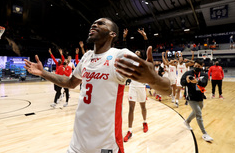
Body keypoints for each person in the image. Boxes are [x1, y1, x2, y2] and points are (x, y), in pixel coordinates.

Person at [24, 17, 171, 153]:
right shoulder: (87, 57)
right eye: (94, 23)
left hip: (105, 145)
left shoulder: (120, 55)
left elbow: (168, 89)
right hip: (77, 144)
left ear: (112, 34)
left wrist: (154, 79)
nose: (94, 24)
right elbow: (69, 83)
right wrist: (43, 73)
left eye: (101, 23)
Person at [181, 59, 214, 142]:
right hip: (190, 97)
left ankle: (187, 122)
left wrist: (198, 81)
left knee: (196, 112)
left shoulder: (204, 74)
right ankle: (205, 133)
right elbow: (182, 82)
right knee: (198, 114)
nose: (196, 67)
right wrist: (187, 81)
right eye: (195, 66)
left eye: (198, 66)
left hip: (200, 97)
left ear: (202, 67)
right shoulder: (188, 73)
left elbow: (204, 83)